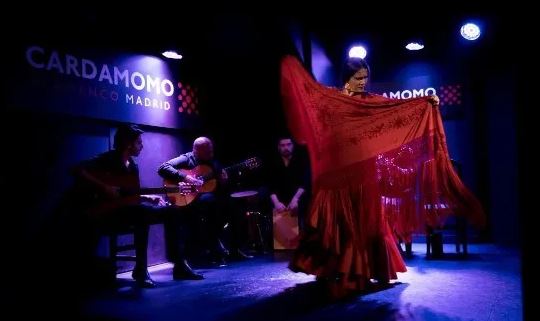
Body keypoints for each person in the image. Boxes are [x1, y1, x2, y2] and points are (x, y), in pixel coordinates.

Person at [280, 55, 484, 299]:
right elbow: (311, 111)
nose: (363, 82)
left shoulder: (369, 102)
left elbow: (395, 107)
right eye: (358, 78)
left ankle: (362, 272)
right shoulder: (331, 99)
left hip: (363, 172)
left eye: (366, 78)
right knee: (337, 226)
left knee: (366, 223)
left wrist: (426, 101)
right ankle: (335, 271)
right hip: (337, 173)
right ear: (347, 77)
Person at [72, 124, 166, 288]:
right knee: (142, 213)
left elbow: (129, 195)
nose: (142, 146)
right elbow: (77, 169)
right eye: (138, 142)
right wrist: (104, 187)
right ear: (128, 144)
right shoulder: (107, 159)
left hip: (123, 212)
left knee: (155, 211)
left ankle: (142, 269)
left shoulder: (133, 165)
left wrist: (147, 197)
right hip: (105, 213)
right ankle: (141, 271)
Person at [158, 137, 250, 267]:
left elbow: (218, 186)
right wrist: (186, 177)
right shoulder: (186, 158)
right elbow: (163, 167)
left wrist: (224, 181)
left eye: (211, 149)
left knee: (234, 204)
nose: (210, 153)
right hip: (188, 200)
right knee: (210, 202)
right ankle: (213, 248)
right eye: (207, 150)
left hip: (208, 202)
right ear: (196, 150)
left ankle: (234, 249)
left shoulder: (214, 163)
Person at [268, 137, 310, 231]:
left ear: (293, 146)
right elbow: (271, 186)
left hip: (299, 198)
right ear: (278, 147)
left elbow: (304, 183)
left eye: (288, 144)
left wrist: (295, 199)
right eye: (282, 145)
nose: (286, 147)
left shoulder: (301, 160)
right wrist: (276, 202)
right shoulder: (273, 163)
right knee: (284, 237)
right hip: (280, 200)